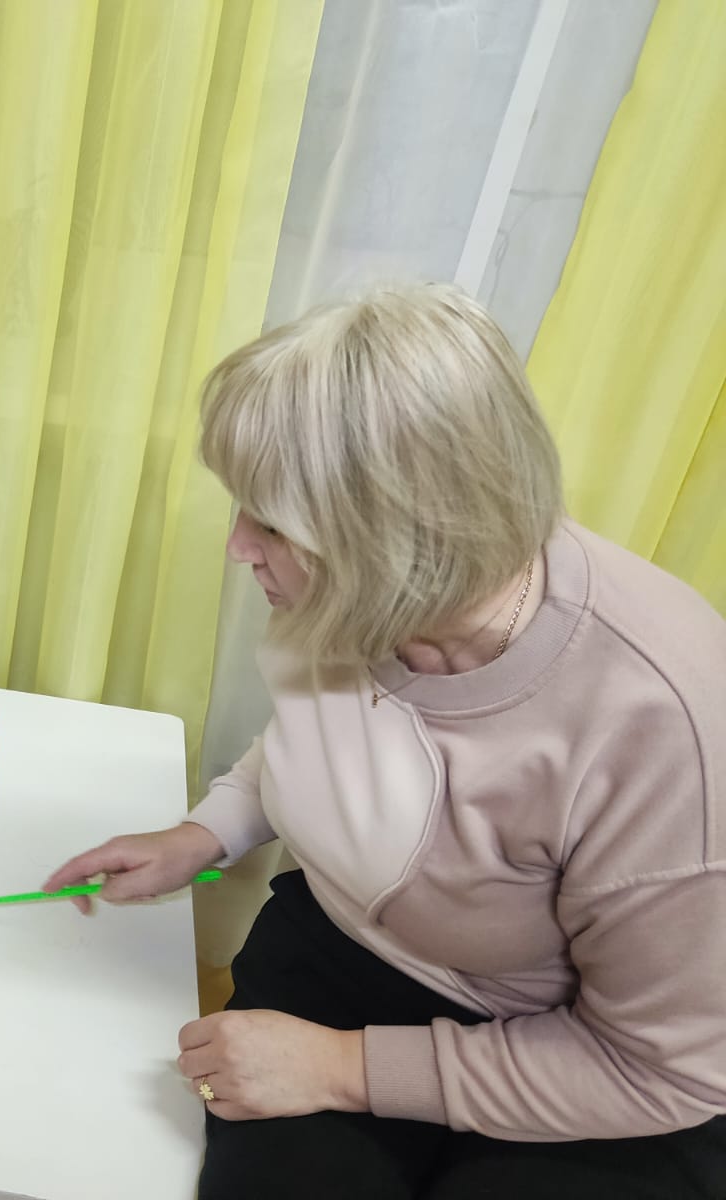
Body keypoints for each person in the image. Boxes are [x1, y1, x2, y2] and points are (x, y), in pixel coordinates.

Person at [44, 285, 726, 1199]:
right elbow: (329, 743)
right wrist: (205, 834)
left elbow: (665, 1069)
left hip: (587, 1052)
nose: (239, 547)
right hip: (348, 949)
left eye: (271, 522)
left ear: (402, 533)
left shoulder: (664, 721)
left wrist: (341, 1070)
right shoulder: (362, 594)